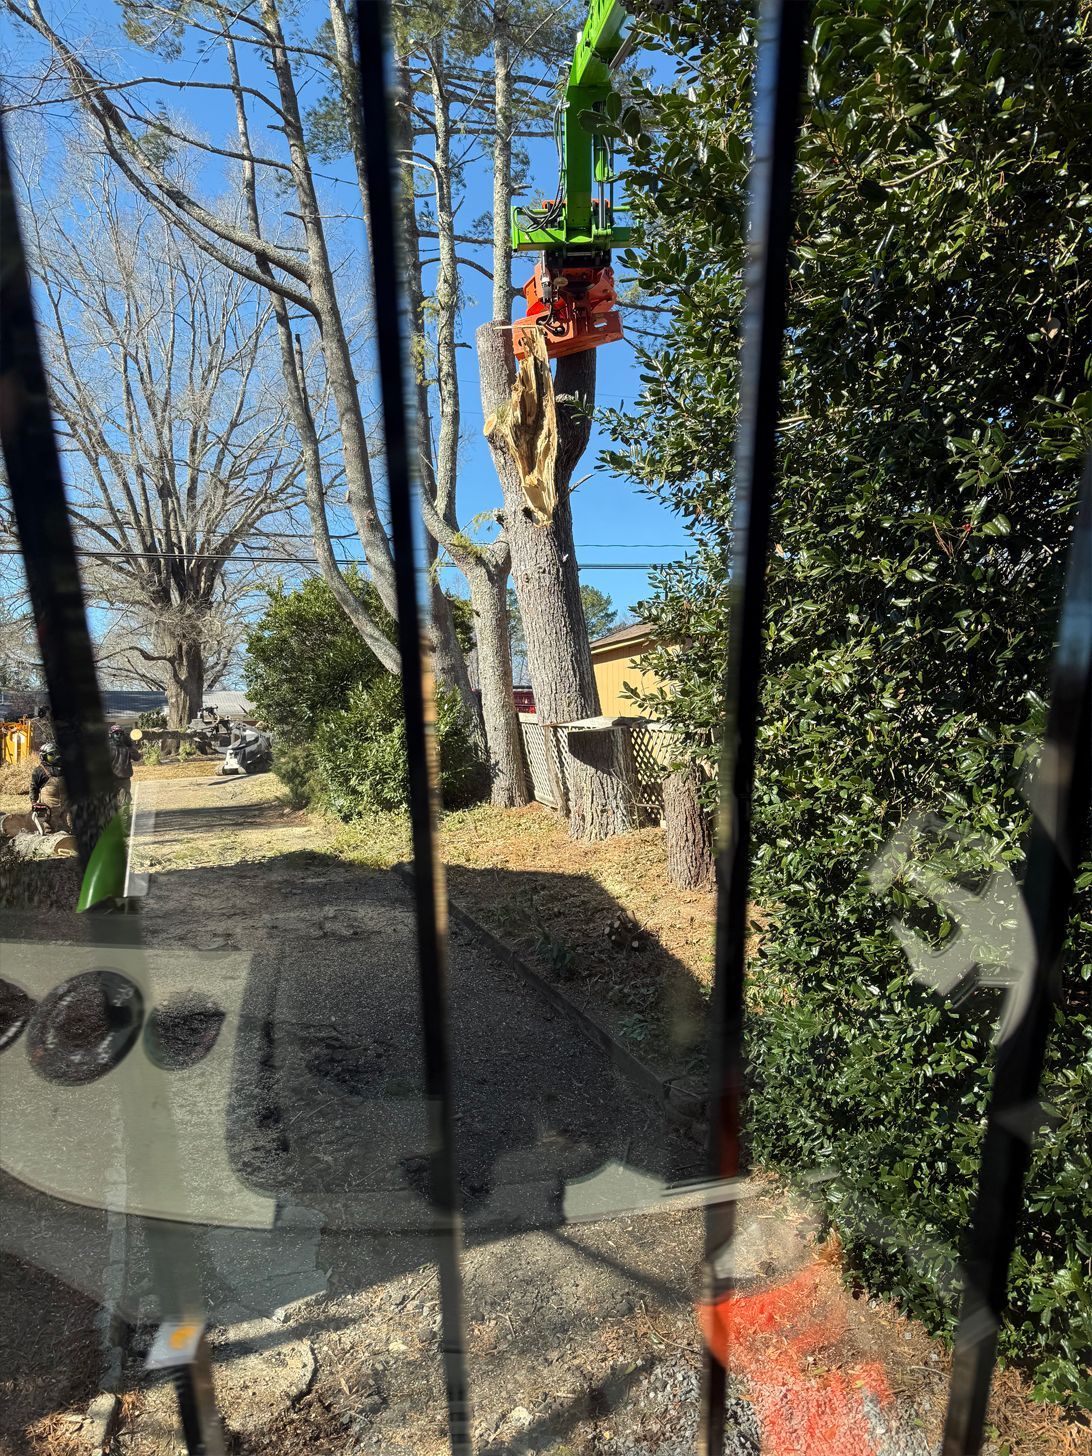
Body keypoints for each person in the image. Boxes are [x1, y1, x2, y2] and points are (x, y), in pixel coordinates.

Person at [29, 741, 72, 833]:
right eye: (52, 754)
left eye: (57, 753)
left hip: (66, 806)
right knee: (50, 829)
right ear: (44, 756)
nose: (57, 756)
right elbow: (33, 788)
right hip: (50, 808)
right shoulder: (39, 771)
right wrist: (33, 802)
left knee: (70, 828)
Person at [108, 723, 142, 808]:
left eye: (121, 733)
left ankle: (125, 816)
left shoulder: (127, 748)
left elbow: (137, 758)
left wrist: (131, 746)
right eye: (116, 733)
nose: (119, 735)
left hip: (125, 780)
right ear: (111, 735)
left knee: (125, 804)